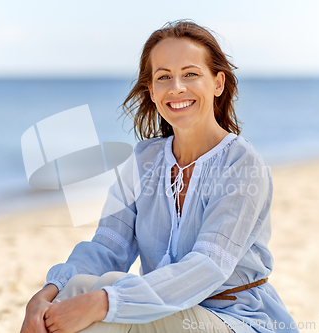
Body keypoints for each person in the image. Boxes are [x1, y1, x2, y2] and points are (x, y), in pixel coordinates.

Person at [20, 20, 299, 333]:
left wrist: (106, 302)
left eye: (191, 74)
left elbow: (207, 267)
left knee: (106, 298)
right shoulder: (144, 161)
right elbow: (107, 249)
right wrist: (47, 293)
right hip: (160, 312)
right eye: (164, 77)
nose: (176, 87)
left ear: (218, 83)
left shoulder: (242, 165)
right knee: (80, 286)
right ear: (152, 91)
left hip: (237, 319)